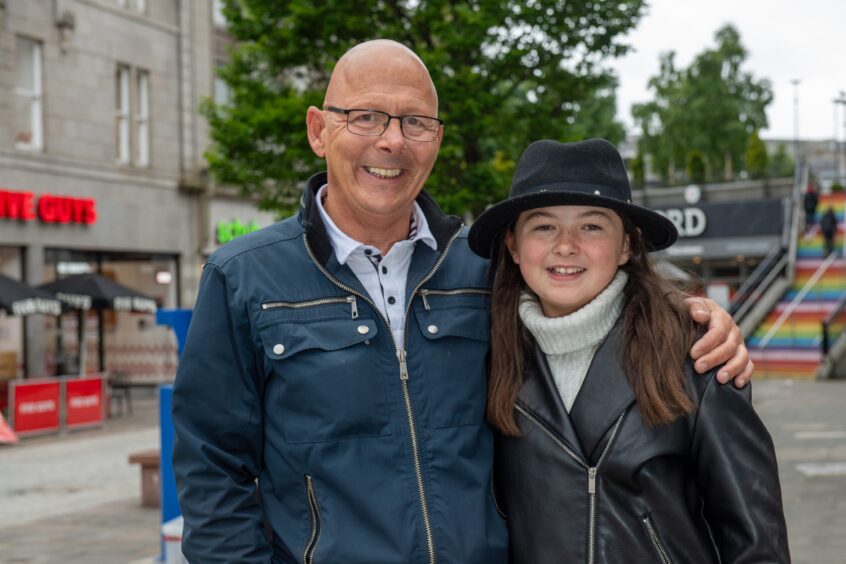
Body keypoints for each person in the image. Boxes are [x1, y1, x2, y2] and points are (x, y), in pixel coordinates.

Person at [172, 41, 752, 563]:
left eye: (415, 121)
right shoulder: (242, 276)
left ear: (436, 139)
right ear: (319, 130)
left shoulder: (486, 269)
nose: (392, 140)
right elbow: (212, 469)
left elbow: (588, 303)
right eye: (366, 116)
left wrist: (694, 319)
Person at [468, 139, 789, 563]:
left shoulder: (696, 353)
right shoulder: (483, 355)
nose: (565, 245)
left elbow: (757, 541)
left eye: (592, 226)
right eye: (543, 226)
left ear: (626, 246)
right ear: (513, 246)